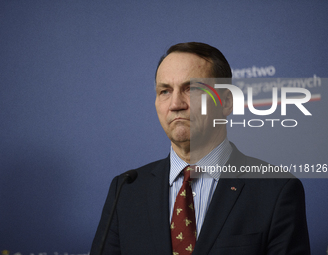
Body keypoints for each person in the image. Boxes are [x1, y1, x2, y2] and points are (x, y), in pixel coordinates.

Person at [90, 42, 310, 255]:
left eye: (191, 89)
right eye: (165, 91)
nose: (176, 104)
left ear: (226, 102)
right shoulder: (126, 190)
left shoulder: (276, 191)